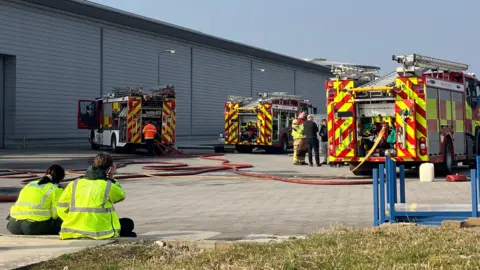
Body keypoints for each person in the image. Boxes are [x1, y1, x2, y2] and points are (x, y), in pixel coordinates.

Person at [57, 152, 136, 239]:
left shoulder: (74, 184)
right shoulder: (107, 185)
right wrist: (111, 177)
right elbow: (121, 195)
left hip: (73, 230)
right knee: (129, 224)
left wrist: (73, 220)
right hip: (98, 230)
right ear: (110, 168)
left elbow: (60, 208)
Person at [7, 164, 65, 235]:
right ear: (60, 178)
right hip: (32, 227)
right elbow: (55, 214)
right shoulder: (56, 189)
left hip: (13, 225)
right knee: (60, 219)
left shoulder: (30, 184)